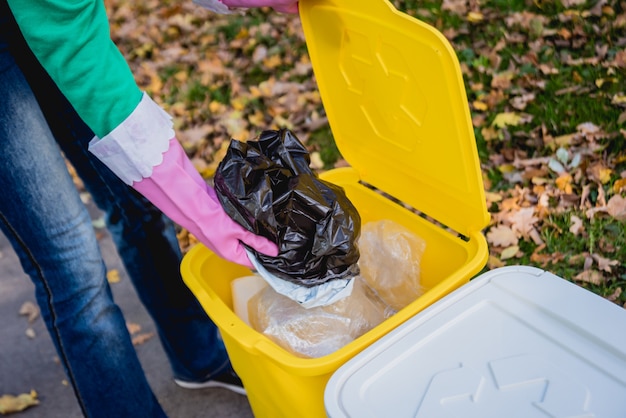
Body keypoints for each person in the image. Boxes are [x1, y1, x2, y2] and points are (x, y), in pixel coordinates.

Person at [0, 0, 297, 416]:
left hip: (48, 15)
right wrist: (199, 208)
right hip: (49, 21)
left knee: (137, 203)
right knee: (71, 263)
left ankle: (199, 357)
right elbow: (78, 50)